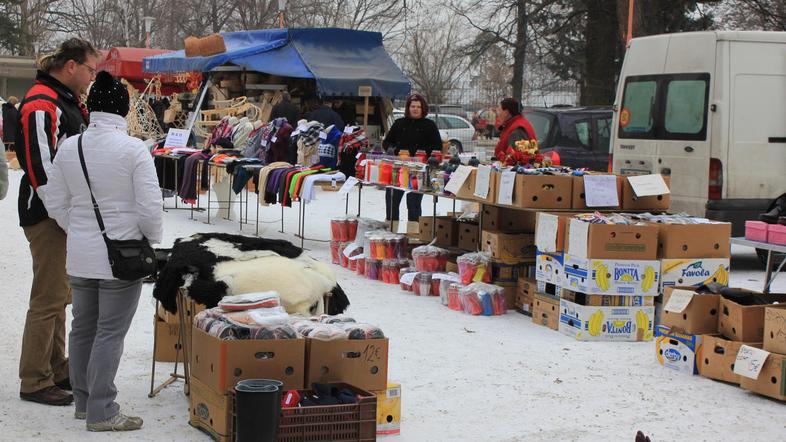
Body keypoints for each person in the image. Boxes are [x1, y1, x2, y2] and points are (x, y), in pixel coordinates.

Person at [43, 71, 163, 431]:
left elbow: (54, 201)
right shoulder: (133, 150)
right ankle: (102, 410)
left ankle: (83, 402)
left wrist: (78, 228)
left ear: (91, 109)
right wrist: (148, 240)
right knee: (109, 332)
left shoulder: (69, 147)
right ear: (122, 110)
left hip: (80, 255)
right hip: (121, 258)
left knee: (83, 328)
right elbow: (150, 208)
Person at [16, 38, 100, 407]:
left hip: (62, 214)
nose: (91, 77)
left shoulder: (62, 98)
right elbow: (40, 167)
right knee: (48, 298)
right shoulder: (41, 101)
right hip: (47, 213)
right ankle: (34, 379)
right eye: (90, 69)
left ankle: (56, 364)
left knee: (60, 296)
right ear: (70, 66)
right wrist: (63, 215)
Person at [382, 93, 442, 228]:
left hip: (418, 171)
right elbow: (387, 142)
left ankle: (414, 234)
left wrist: (423, 154)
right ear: (408, 108)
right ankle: (391, 232)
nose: (415, 109)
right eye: (412, 106)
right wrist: (394, 150)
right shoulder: (399, 123)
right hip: (398, 169)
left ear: (423, 109)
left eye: (418, 107)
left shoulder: (430, 125)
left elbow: (437, 147)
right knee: (392, 201)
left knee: (413, 204)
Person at [494, 97, 537, 162]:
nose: (497, 113)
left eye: (499, 110)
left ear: (506, 113)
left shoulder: (517, 129)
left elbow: (518, 158)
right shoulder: (513, 124)